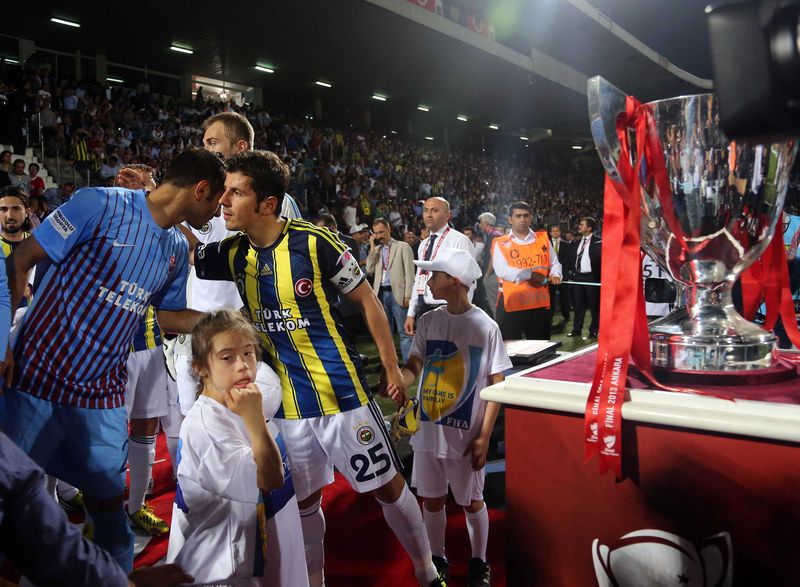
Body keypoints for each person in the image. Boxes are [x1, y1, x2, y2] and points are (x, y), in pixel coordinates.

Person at [192, 150, 444, 587]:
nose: (224, 201)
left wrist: (391, 367)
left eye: (235, 193)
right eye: (224, 192)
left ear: (268, 204)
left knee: (387, 486)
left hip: (342, 395)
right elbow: (187, 248)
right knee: (304, 503)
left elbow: (367, 300)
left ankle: (427, 572)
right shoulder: (231, 252)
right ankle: (315, 580)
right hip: (287, 407)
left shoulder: (316, 242)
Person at [2, 149, 227, 572]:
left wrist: (224, 322)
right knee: (12, 498)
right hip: (36, 378)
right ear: (201, 190)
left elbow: (167, 317)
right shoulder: (98, 203)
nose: (218, 211)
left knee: (108, 509)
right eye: (217, 200)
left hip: (102, 395)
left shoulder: (176, 249)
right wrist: (2, 344)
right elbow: (19, 261)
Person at [167, 310, 308, 586]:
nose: (243, 366)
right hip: (227, 571)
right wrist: (255, 419)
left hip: (272, 546)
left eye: (248, 353)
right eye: (227, 357)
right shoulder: (206, 428)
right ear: (200, 367)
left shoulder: (243, 398)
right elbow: (270, 479)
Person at [400, 248, 512, 587]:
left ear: (455, 281)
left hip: (465, 433)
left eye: (435, 275)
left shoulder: (485, 327)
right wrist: (400, 379)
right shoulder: (429, 321)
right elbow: (415, 362)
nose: (428, 281)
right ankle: (438, 559)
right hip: (429, 430)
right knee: (432, 499)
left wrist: (484, 436)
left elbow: (497, 383)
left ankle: (479, 562)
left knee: (472, 501)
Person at [492, 201, 562, 340]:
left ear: (531, 218)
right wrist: (531, 275)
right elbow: (502, 270)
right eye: (518, 216)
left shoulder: (543, 239)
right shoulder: (501, 242)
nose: (522, 219)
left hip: (538, 303)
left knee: (540, 346)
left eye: (526, 215)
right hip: (512, 304)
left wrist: (556, 274)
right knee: (511, 347)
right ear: (510, 219)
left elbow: (555, 263)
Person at [405, 197, 473, 336]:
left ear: (448, 215)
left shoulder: (459, 240)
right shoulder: (423, 245)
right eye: (426, 210)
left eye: (434, 210)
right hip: (424, 307)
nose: (429, 215)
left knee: (450, 350)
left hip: (449, 308)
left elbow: (469, 281)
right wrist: (411, 312)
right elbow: (419, 278)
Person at [366, 217, 416, 361]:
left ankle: (409, 365)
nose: (379, 236)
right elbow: (369, 269)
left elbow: (410, 273)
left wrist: (408, 295)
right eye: (376, 233)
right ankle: (391, 365)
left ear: (389, 229)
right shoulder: (377, 250)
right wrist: (372, 246)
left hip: (398, 295)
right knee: (385, 333)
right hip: (380, 295)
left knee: (404, 332)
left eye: (381, 232)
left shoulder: (403, 247)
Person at [569, 216, 602, 340]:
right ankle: (576, 330)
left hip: (592, 277)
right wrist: (572, 274)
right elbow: (573, 260)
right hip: (578, 277)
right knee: (578, 306)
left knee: (594, 307)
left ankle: (593, 331)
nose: (579, 226)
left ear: (589, 228)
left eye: (582, 224)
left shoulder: (599, 242)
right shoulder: (577, 242)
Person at [548, 223, 571, 327]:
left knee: (564, 297)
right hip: (551, 275)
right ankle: (550, 317)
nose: (555, 233)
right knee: (551, 298)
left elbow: (568, 260)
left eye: (557, 231)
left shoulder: (566, 244)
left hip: (564, 275)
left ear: (560, 232)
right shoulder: (547, 244)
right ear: (550, 233)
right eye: (553, 231)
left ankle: (566, 316)